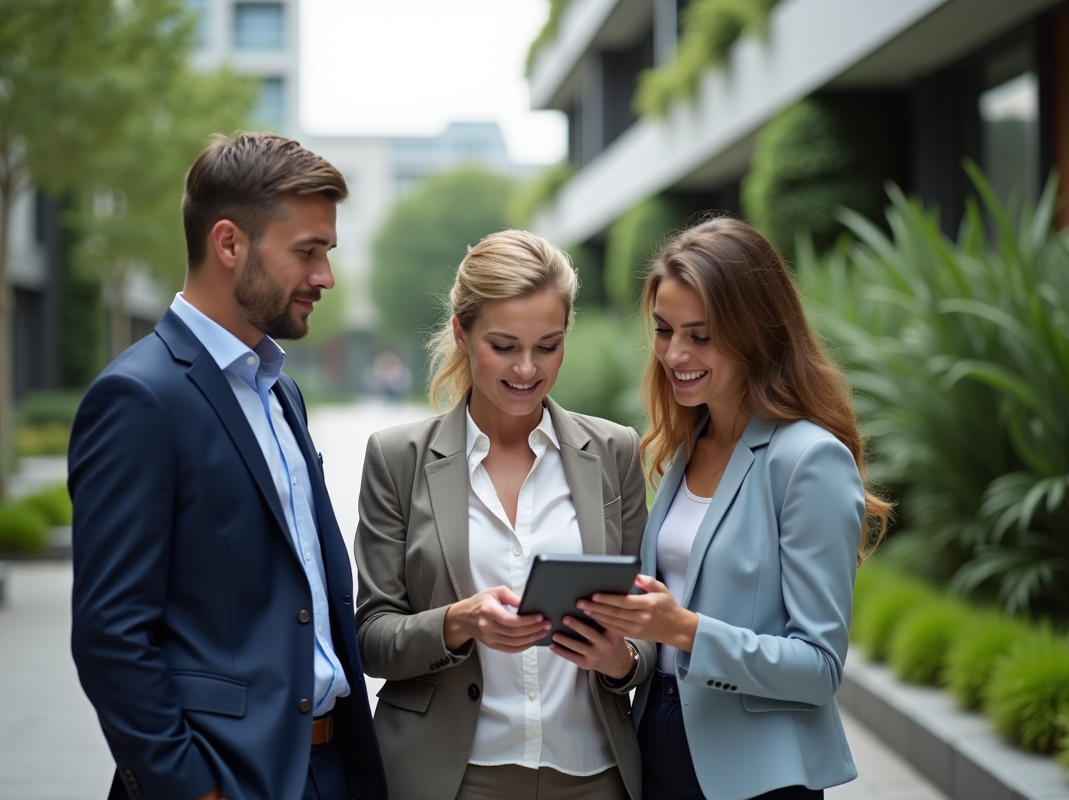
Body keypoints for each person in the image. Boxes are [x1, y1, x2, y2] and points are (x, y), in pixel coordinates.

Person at [69, 132, 387, 800]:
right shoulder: (139, 398)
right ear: (229, 243)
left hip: (328, 769)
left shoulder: (281, 390)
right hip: (226, 778)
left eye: (327, 253)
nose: (325, 277)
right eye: (308, 252)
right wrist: (191, 789)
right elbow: (111, 635)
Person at [579, 218, 891, 800]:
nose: (675, 354)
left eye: (700, 336)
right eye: (664, 330)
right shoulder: (687, 446)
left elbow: (820, 668)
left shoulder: (808, 459)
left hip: (756, 773)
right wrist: (618, 650)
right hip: (656, 738)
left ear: (756, 333)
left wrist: (683, 628)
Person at [353, 230, 655, 800]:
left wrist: (619, 659)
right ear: (461, 334)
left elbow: (647, 625)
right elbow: (371, 637)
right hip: (451, 779)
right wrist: (458, 622)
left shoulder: (614, 451)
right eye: (504, 345)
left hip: (593, 774)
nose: (527, 368)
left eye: (548, 346)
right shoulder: (397, 458)